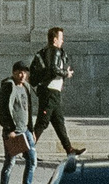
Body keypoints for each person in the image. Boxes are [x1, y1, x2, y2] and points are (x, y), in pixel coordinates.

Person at [28, 27, 78, 158]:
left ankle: (69, 149)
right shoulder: (54, 51)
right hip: (49, 92)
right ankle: (27, 149)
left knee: (59, 122)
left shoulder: (50, 51)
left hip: (52, 92)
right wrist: (66, 73)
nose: (63, 40)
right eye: (61, 38)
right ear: (55, 39)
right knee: (42, 122)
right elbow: (53, 68)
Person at [0, 60, 38, 184]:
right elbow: (3, 109)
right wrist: (9, 129)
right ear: (14, 72)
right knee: (10, 162)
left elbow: (29, 109)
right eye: (19, 72)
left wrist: (31, 130)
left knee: (32, 160)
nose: (22, 75)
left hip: (25, 130)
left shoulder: (26, 87)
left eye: (25, 72)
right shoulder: (8, 86)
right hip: (13, 132)